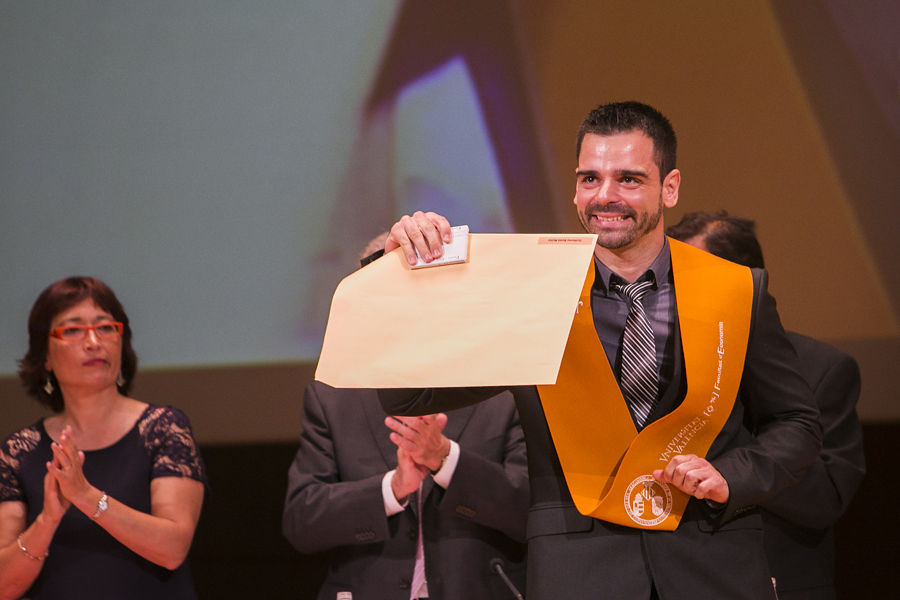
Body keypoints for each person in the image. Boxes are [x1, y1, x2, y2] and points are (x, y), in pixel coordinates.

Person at [376, 101, 822, 599]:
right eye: (590, 178)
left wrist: (730, 475)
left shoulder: (737, 290)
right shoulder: (531, 292)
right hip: (580, 572)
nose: (604, 196)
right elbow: (408, 396)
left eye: (628, 179)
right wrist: (397, 276)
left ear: (669, 187)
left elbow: (797, 424)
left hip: (713, 564)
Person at [283, 241, 529, 600]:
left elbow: (530, 513)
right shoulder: (333, 395)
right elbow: (301, 522)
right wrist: (392, 488)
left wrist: (446, 461)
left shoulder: (502, 390)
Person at [667, 210, 866, 600]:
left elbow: (827, 498)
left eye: (693, 277)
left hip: (781, 581)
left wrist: (733, 460)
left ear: (745, 280)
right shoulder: (662, 366)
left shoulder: (821, 368)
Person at [0, 276, 207, 600]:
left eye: (106, 328)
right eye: (72, 330)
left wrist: (84, 495)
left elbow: (173, 548)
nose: (94, 341)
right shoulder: (19, 451)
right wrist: (47, 520)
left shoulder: (163, 428)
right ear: (45, 358)